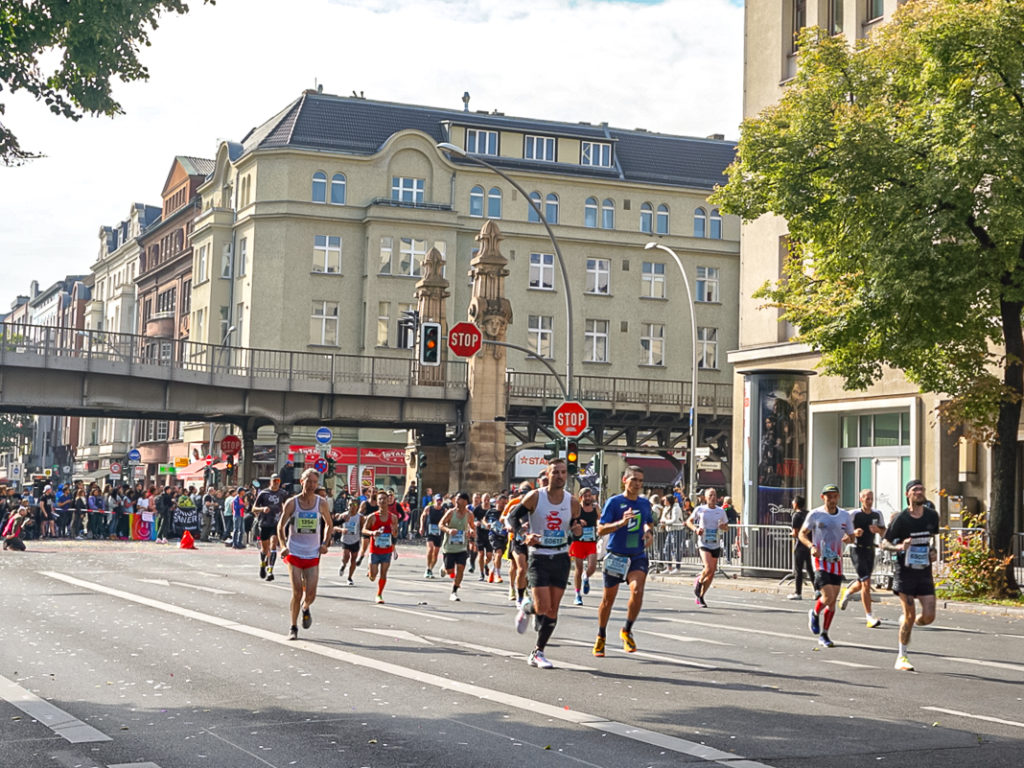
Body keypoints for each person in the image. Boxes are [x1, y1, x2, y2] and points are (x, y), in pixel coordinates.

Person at [508, 459, 583, 669]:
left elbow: (574, 527)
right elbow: (512, 518)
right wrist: (524, 534)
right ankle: (527, 606)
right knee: (541, 606)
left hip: (560, 557)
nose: (560, 476)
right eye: (555, 472)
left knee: (552, 609)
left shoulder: (572, 502)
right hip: (538, 556)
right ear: (547, 475)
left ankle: (538, 651)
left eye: (563, 472)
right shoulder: (535, 497)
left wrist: (577, 531)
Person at [593, 465, 654, 656]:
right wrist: (621, 523)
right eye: (634, 479)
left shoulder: (644, 504)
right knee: (608, 599)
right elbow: (601, 530)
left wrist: (648, 532)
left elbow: (648, 522)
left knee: (637, 590)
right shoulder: (614, 502)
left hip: (636, 555)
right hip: (616, 556)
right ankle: (601, 635)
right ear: (624, 480)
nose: (637, 484)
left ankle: (626, 630)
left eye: (640, 481)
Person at [881, 480, 940, 671]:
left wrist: (933, 552)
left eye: (922, 489)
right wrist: (899, 547)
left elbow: (931, 541)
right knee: (909, 613)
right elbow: (884, 543)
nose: (920, 492)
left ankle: (910, 621)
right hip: (904, 572)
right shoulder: (901, 519)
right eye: (915, 490)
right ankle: (902, 657)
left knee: (929, 616)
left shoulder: (932, 515)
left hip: (923, 571)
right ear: (908, 494)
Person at [277, 468, 333, 640]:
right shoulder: (292, 503)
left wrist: (325, 543)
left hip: (313, 553)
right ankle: (293, 627)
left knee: (311, 593)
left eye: (314, 482)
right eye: (308, 481)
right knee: (296, 592)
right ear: (301, 482)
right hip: (294, 551)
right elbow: (281, 526)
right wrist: (283, 546)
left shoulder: (321, 503)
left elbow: (329, 525)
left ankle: (306, 607)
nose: (311, 485)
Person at [799, 483, 854, 648]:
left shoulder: (844, 516)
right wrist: (811, 546)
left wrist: (850, 538)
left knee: (832, 601)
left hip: (836, 562)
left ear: (838, 497)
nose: (832, 499)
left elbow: (851, 536)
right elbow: (802, 534)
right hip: (820, 561)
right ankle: (815, 613)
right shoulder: (815, 514)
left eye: (834, 496)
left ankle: (824, 634)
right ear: (823, 497)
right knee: (828, 596)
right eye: (828, 496)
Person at [839, 489, 886, 627]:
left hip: (870, 550)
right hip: (856, 550)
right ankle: (869, 617)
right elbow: (843, 537)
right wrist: (853, 533)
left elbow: (884, 531)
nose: (869, 501)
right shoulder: (853, 514)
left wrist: (878, 530)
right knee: (866, 583)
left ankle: (847, 592)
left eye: (871, 498)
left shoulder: (877, 514)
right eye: (867, 499)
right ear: (861, 499)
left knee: (862, 581)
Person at [686, 487, 729, 608]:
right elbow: (688, 521)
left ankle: (701, 596)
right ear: (705, 497)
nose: (713, 498)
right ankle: (699, 582)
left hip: (715, 542)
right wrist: (695, 529)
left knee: (711, 573)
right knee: (708, 567)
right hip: (703, 543)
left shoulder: (720, 511)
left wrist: (723, 526)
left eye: (714, 495)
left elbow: (726, 527)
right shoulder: (700, 509)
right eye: (710, 495)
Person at [362, 490, 399, 604]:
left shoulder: (393, 518)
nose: (382, 501)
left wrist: (394, 532)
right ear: (377, 502)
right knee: (373, 576)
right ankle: (370, 571)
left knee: (383, 573)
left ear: (388, 501)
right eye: (380, 499)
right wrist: (372, 533)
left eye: (384, 499)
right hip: (375, 549)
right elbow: (363, 530)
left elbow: (396, 534)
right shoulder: (372, 517)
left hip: (386, 550)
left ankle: (379, 594)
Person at [440, 491, 476, 601]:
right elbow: (440, 524)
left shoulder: (469, 514)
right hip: (449, 547)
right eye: (456, 499)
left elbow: (472, 527)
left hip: (462, 547)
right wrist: (449, 530)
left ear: (465, 501)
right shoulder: (451, 512)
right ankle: (444, 567)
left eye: (459, 499)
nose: (456, 501)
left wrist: (471, 532)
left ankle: (454, 592)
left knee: (461, 568)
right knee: (450, 571)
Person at [253, 474, 287, 582]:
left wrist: (285, 514)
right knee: (264, 548)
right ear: (270, 481)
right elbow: (254, 508)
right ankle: (263, 564)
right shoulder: (264, 493)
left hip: (276, 523)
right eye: (274, 480)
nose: (276, 483)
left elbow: (286, 505)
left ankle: (270, 571)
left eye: (278, 480)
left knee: (273, 545)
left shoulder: (282, 493)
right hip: (264, 523)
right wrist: (262, 509)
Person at [569, 487, 599, 605]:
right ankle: (577, 594)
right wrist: (578, 522)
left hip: (591, 541)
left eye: (589, 495)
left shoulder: (595, 508)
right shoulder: (577, 509)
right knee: (579, 568)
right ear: (581, 497)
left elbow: (600, 520)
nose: (588, 498)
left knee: (592, 567)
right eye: (585, 496)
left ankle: (585, 577)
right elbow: (571, 523)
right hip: (578, 541)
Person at [787, 495, 815, 600]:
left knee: (798, 569)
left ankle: (798, 592)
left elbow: (795, 533)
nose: (792, 504)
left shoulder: (796, 515)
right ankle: (817, 590)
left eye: (793, 502)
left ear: (796, 504)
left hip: (800, 544)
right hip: (809, 544)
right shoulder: (808, 514)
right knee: (810, 568)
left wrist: (791, 534)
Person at [419, 494, 447, 578]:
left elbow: (447, 520)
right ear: (434, 500)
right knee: (430, 549)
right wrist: (421, 527)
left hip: (439, 533)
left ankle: (431, 569)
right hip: (430, 532)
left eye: (440, 500)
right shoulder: (429, 508)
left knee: (436, 553)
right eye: (437, 500)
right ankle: (428, 568)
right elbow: (422, 517)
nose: (439, 502)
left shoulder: (444, 510)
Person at [337, 498, 362, 585]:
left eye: (354, 505)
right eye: (351, 505)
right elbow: (334, 526)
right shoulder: (343, 516)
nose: (352, 507)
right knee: (346, 557)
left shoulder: (360, 517)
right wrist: (341, 529)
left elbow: (363, 529)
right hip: (345, 540)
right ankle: (343, 565)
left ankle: (350, 578)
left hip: (355, 540)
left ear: (358, 506)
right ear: (348, 505)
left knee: (353, 559)